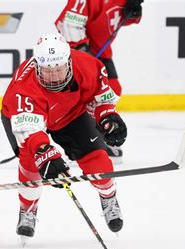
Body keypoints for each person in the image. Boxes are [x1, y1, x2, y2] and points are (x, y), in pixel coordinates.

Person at [1, 33, 127, 242]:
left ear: (68, 62)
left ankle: (109, 196)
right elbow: (31, 134)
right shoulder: (24, 88)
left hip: (70, 114)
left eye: (59, 70)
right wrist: (46, 155)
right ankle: (28, 209)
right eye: (48, 71)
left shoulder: (88, 65)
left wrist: (108, 118)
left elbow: (101, 98)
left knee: (99, 164)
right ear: (37, 66)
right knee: (32, 164)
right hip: (22, 118)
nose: (54, 78)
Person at [55, 0, 143, 162]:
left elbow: (109, 22)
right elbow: (68, 24)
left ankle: (101, 133)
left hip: (100, 52)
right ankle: (83, 140)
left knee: (112, 89)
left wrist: (132, 11)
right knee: (84, 97)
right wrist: (82, 50)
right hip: (78, 53)